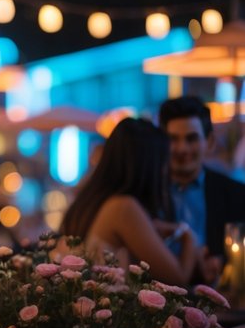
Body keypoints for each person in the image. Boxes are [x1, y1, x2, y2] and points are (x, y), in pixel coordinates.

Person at [59, 117, 198, 285]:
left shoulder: (96, 201)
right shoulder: (124, 208)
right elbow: (178, 278)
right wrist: (186, 234)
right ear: (150, 165)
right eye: (164, 162)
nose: (166, 171)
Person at [159, 96, 245, 264]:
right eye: (173, 139)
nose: (182, 148)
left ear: (210, 142)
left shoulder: (237, 195)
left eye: (191, 139)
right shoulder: (146, 193)